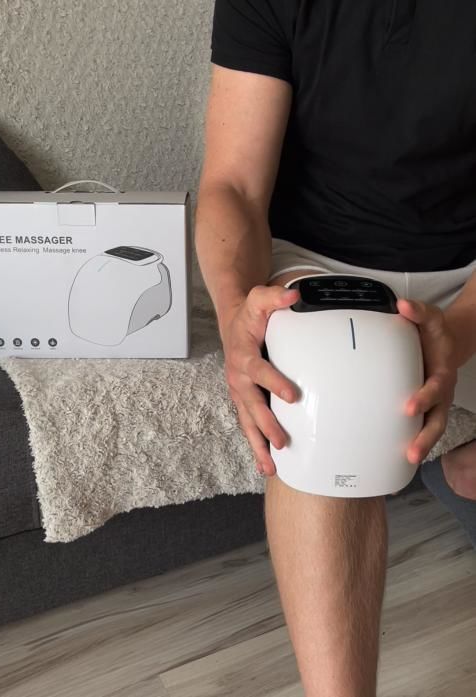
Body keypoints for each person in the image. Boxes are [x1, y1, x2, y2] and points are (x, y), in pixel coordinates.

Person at [195, 2, 476, 695]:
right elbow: (233, 185)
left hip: (467, 265)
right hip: (319, 259)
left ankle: (461, 464)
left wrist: (458, 336)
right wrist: (237, 317)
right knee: (328, 387)